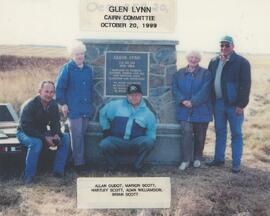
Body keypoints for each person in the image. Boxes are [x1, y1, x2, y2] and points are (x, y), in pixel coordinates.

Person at [207, 35, 251, 173]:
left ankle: (236, 164)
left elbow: (246, 85)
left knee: (236, 134)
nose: (224, 48)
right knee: (220, 132)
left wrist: (241, 105)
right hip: (218, 104)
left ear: (233, 46)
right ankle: (218, 159)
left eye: (227, 45)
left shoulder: (242, 62)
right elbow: (209, 81)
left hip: (234, 105)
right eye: (222, 45)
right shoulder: (214, 61)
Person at [16, 81, 70, 184]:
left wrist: (56, 134)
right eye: (46, 91)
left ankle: (58, 172)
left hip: (41, 132)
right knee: (36, 143)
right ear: (39, 92)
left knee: (65, 138)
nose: (49, 94)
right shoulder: (30, 105)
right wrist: (44, 138)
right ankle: (29, 176)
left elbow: (55, 122)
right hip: (24, 132)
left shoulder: (53, 104)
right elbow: (26, 127)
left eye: (51, 92)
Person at [99, 84, 156, 174]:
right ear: (127, 96)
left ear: (141, 95)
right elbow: (102, 113)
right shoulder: (116, 105)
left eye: (136, 95)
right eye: (131, 95)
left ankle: (137, 166)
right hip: (117, 140)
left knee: (149, 142)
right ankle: (112, 166)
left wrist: (148, 143)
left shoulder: (148, 114)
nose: (134, 97)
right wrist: (106, 128)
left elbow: (151, 132)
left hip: (135, 142)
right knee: (104, 144)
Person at [55, 40, 93, 173]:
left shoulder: (88, 69)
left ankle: (69, 161)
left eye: (81, 53)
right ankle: (79, 165)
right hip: (73, 108)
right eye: (77, 54)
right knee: (76, 136)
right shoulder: (67, 68)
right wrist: (63, 103)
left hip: (86, 108)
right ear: (72, 55)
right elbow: (59, 87)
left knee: (80, 136)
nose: (80, 56)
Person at [172, 50, 212, 170]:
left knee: (200, 135)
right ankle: (185, 160)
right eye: (191, 57)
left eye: (196, 57)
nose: (193, 59)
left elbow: (206, 90)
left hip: (201, 109)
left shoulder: (206, 73)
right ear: (187, 58)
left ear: (199, 60)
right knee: (186, 133)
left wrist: (193, 102)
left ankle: (198, 158)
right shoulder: (179, 73)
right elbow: (175, 89)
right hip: (184, 110)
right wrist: (183, 100)